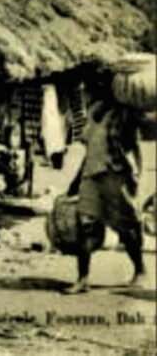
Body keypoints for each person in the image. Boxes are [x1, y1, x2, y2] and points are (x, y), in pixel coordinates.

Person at [65, 83, 146, 294]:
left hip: (115, 175)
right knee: (84, 225)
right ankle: (82, 279)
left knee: (126, 227)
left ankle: (140, 268)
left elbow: (132, 146)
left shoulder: (123, 114)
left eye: (90, 89)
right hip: (91, 176)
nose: (85, 92)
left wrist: (134, 177)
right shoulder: (93, 113)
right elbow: (90, 149)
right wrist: (75, 182)